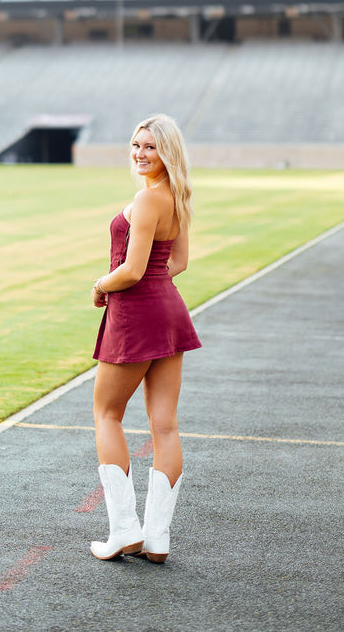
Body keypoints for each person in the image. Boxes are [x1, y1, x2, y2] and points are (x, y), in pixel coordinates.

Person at [89, 112, 201, 563]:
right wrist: (151, 285)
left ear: (167, 151)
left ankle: (124, 532)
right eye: (136, 145)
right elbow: (178, 264)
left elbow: (133, 270)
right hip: (169, 311)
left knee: (107, 415)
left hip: (136, 314)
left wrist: (101, 284)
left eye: (150, 147)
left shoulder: (149, 198)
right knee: (165, 425)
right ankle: (157, 539)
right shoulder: (177, 197)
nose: (140, 153)